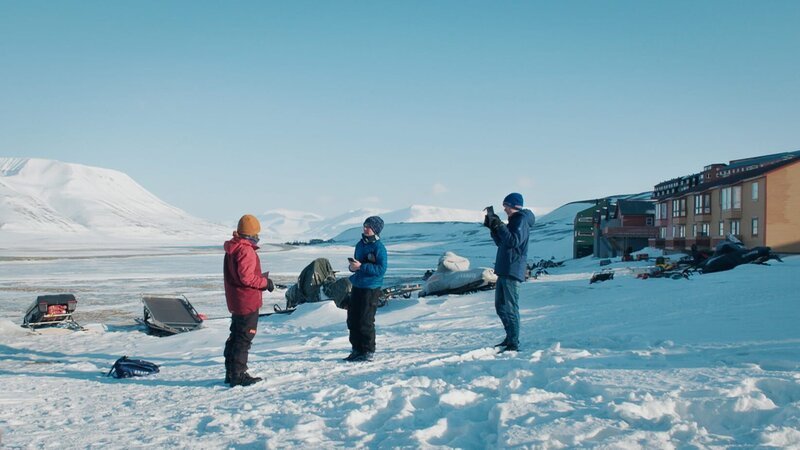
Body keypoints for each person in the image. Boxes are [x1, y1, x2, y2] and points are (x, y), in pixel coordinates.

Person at [223, 214, 274, 387]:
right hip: (247, 300)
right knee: (244, 337)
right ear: (252, 233)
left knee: (236, 335)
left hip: (236, 299)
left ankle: (230, 372)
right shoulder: (245, 249)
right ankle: (238, 374)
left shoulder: (233, 248)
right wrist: (265, 283)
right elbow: (246, 278)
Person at [484, 193, 536, 352]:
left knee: (511, 307)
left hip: (512, 270)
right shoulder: (514, 221)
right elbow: (502, 243)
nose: (504, 208)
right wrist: (493, 228)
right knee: (500, 306)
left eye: (506, 205)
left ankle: (513, 342)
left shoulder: (521, 220)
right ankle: (510, 338)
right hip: (504, 269)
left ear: (514, 205)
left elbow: (513, 241)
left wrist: (499, 225)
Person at [344, 216, 388, 362]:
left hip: (371, 287)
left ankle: (368, 350)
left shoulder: (379, 248)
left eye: (368, 226)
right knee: (353, 319)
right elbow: (356, 266)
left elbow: (381, 269)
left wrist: (362, 266)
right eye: (364, 225)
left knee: (365, 320)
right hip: (357, 285)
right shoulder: (360, 244)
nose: (365, 228)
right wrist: (353, 267)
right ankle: (356, 349)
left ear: (375, 229)